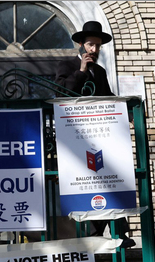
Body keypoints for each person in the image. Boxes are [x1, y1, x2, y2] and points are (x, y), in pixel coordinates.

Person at [55, 21, 135, 248]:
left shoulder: (100, 71)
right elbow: (60, 92)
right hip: (76, 137)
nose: (94, 50)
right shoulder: (66, 65)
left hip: (101, 136)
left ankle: (119, 231)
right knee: (87, 182)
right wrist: (80, 72)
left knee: (111, 181)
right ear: (80, 45)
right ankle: (93, 233)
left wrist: (127, 112)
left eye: (98, 46)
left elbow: (108, 96)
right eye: (90, 45)